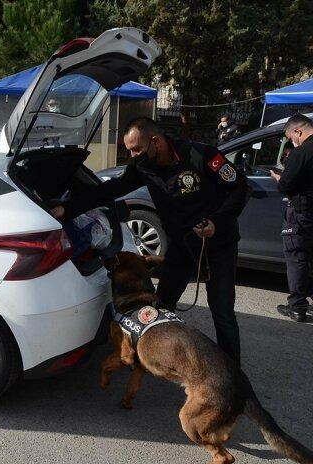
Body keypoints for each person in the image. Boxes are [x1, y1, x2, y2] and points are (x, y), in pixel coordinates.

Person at [51, 117, 249, 363]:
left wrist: (216, 222)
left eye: (136, 149)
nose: (133, 156)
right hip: (182, 246)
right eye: (129, 150)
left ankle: (233, 374)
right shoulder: (143, 166)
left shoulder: (201, 155)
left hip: (218, 245)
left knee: (222, 314)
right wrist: (68, 209)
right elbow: (110, 189)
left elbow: (240, 188)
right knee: (161, 305)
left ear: (155, 141)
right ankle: (158, 360)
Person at [270, 114, 313, 322]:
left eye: (290, 137)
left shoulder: (301, 152)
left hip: (302, 212)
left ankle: (297, 307)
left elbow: (285, 185)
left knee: (296, 256)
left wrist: (278, 178)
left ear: (298, 131)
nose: (292, 141)